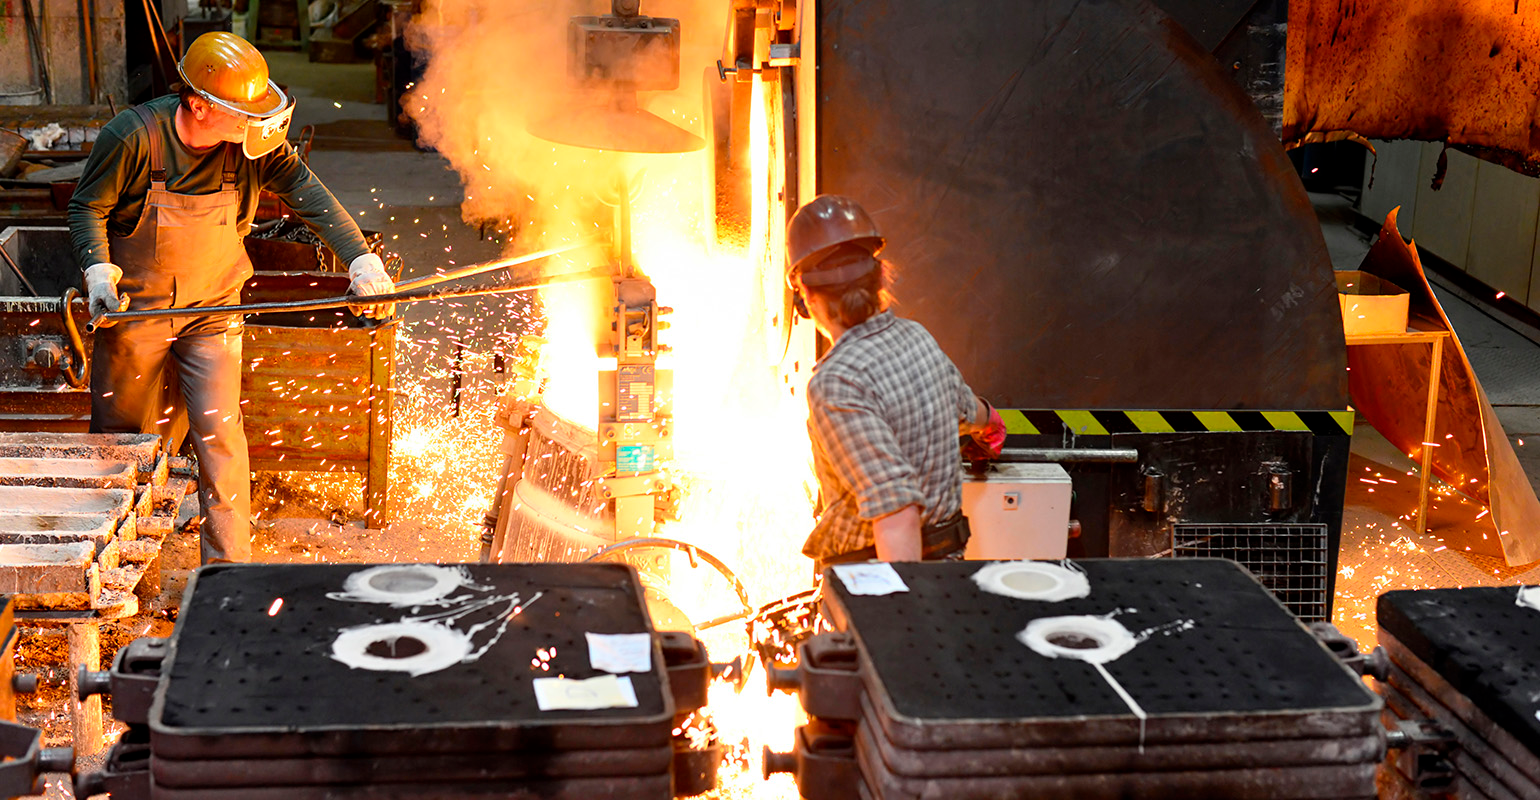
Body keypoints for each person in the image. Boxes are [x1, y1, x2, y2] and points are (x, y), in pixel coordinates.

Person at [67, 32, 396, 564]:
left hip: (215, 310)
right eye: (242, 114)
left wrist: (362, 261)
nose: (254, 125)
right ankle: (109, 567)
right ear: (198, 105)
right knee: (118, 446)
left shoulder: (252, 149)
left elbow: (308, 194)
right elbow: (86, 208)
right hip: (137, 312)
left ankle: (227, 573)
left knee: (220, 439)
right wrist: (99, 273)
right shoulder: (133, 137)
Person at [787, 194, 1007, 570]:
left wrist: (903, 616)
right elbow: (967, 409)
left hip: (879, 575)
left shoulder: (837, 382)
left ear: (805, 297)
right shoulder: (916, 337)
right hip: (945, 566)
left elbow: (896, 509)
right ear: (880, 278)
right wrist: (990, 423)